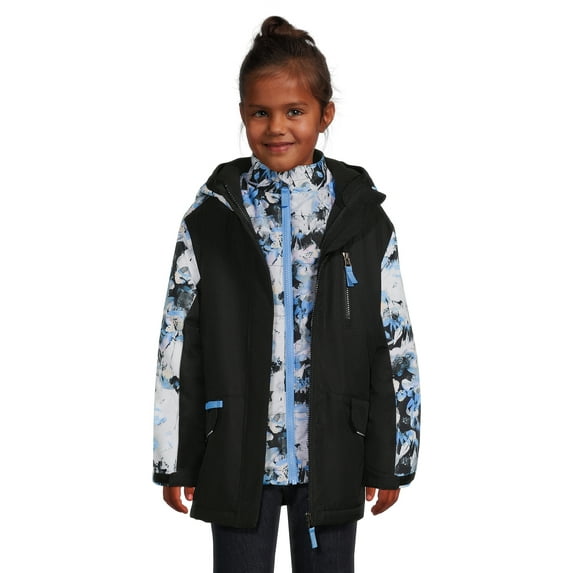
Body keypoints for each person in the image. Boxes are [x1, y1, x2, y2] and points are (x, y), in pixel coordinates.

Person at [153, 15, 420, 573]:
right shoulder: (210, 220)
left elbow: (391, 343)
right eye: (261, 112)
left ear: (325, 114)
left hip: (335, 450)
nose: (276, 127)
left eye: (294, 111)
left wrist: (392, 457)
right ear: (243, 114)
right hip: (235, 450)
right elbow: (179, 344)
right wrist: (176, 459)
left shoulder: (365, 222)